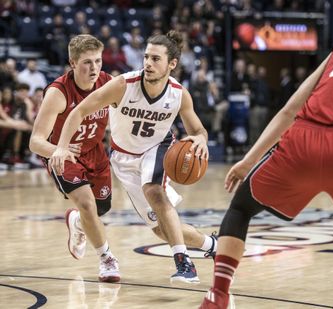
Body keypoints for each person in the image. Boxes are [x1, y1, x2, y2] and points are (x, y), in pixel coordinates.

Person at [199, 0, 333, 307]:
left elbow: (289, 110)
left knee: (240, 209)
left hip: (302, 139)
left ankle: (219, 296)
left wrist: (247, 161)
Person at [49, 30, 218, 284]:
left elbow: (197, 129)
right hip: (124, 159)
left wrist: (201, 139)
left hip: (157, 148)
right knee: (162, 229)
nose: (148, 63)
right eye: (146, 57)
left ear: (172, 64)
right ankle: (212, 244)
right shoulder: (123, 85)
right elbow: (79, 112)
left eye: (155, 59)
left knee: (154, 191)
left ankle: (184, 263)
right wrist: (61, 147)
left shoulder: (178, 94)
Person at [29, 34, 120, 283]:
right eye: (87, 63)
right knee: (88, 205)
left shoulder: (107, 83)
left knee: (100, 208)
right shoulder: (58, 93)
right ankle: (107, 259)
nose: (94, 68)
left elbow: (123, 118)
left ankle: (76, 221)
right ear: (72, 63)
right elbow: (35, 141)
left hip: (95, 152)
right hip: (64, 155)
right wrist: (57, 150)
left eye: (98, 61)